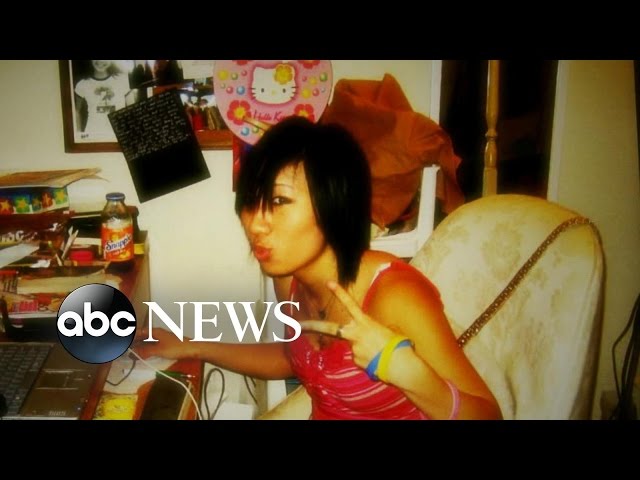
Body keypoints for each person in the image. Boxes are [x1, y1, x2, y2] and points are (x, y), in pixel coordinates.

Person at [134, 116, 502, 420]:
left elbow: (488, 415)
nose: (254, 223)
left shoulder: (394, 297)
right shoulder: (288, 280)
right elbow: (291, 358)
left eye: (279, 201)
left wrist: (412, 376)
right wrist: (191, 346)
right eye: (250, 202)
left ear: (333, 204)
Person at [74, 60, 130, 135]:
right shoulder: (82, 84)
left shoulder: (123, 80)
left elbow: (131, 109)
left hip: (119, 134)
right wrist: (79, 134)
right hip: (93, 134)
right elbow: (76, 111)